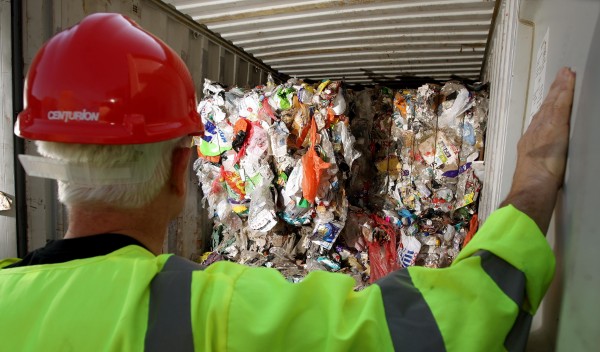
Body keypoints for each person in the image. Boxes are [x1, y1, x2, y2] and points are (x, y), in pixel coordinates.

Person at [0, 13, 575, 351]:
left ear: (54, 168)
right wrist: (531, 186)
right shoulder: (212, 311)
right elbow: (436, 330)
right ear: (182, 170)